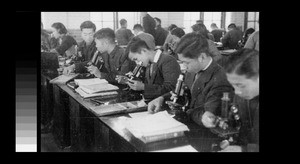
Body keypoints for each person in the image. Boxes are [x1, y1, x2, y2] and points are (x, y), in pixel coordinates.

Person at [148, 33, 234, 129]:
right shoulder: (193, 70)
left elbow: (207, 116)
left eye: (186, 62)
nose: (183, 67)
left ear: (202, 57)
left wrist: (183, 112)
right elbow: (184, 92)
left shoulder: (220, 80)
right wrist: (162, 99)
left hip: (203, 134)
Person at [221, 48, 259, 152]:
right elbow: (237, 124)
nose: (236, 91)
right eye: (233, 86)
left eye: (240, 85)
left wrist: (244, 150)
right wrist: (230, 141)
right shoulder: (242, 96)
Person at [126, 37, 181, 102]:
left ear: (144, 51)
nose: (137, 62)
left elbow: (171, 88)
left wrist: (143, 87)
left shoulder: (168, 61)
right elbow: (153, 85)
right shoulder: (149, 64)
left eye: (136, 59)